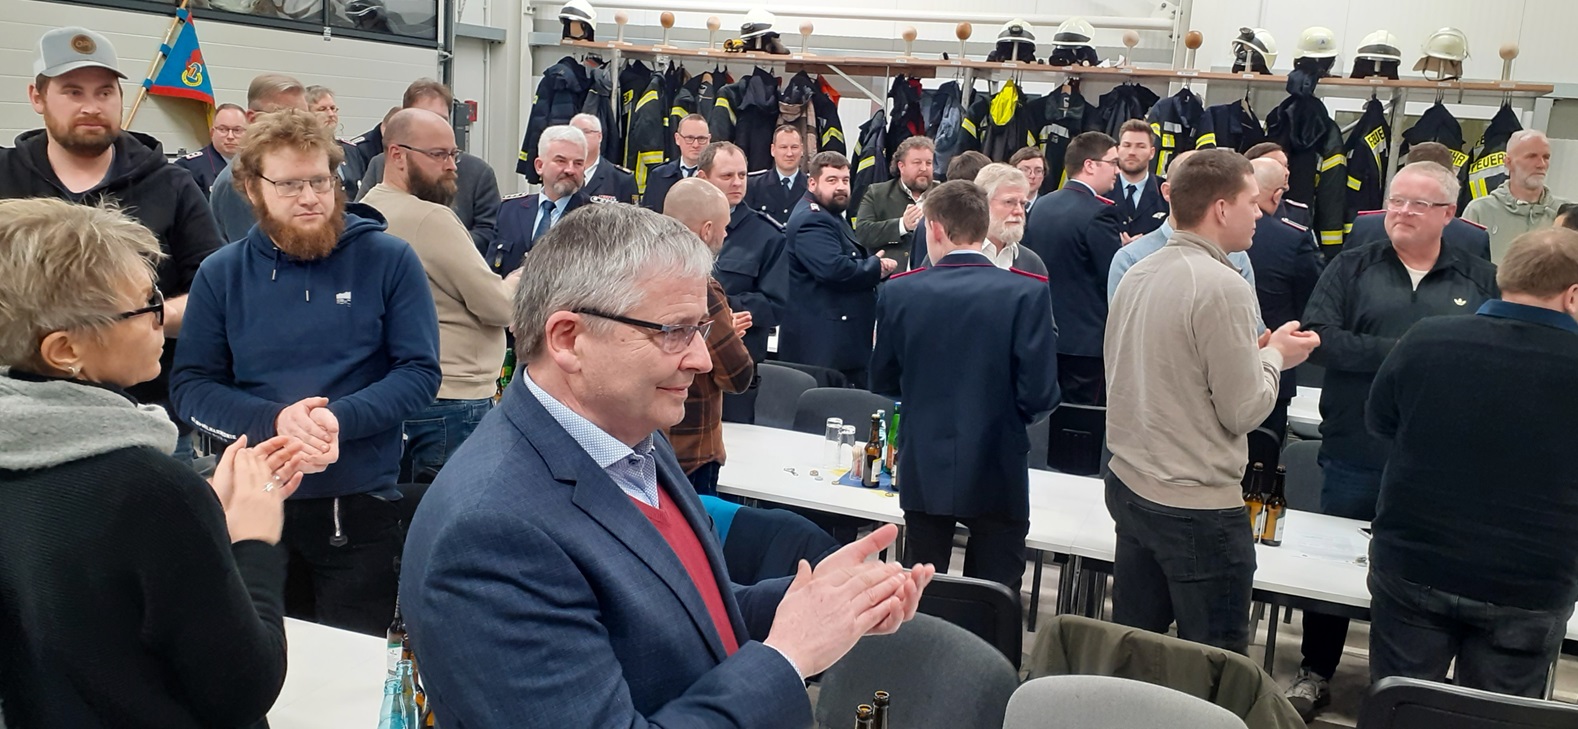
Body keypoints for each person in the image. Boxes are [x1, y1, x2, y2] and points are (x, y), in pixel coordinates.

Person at [399, 203, 935, 728]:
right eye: (673, 331)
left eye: (700, 328)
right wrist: (788, 656)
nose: (701, 359)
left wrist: (814, 604)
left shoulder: (632, 439)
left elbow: (679, 610)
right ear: (568, 340)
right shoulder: (493, 532)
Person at [0, 198, 305, 728]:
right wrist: (252, 540)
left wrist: (203, 509)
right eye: (144, 306)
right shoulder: (146, 489)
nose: (161, 318)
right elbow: (242, 689)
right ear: (65, 350)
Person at [171, 108, 442, 637]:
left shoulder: (388, 260)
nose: (311, 197)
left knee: (354, 667)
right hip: (255, 507)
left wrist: (336, 421)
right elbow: (192, 388)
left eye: (321, 180)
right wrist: (278, 422)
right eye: (290, 185)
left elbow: (418, 373)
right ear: (252, 189)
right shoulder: (221, 274)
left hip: (360, 509)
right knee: (265, 661)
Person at [1287, 161, 1499, 719]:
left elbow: (1490, 353)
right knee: (1331, 566)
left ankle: (1410, 685)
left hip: (1441, 462)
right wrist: (1415, 354)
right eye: (1396, 201)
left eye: (1417, 204)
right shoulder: (1351, 266)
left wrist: (1409, 356)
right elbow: (1320, 338)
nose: (1401, 212)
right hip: (1355, 446)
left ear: (1448, 214)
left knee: (1425, 576)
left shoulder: (1480, 279)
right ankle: (1315, 669)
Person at [1104, 149, 1321, 654]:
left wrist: (1253, 355)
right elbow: (1243, 411)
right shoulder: (1224, 285)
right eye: (1251, 202)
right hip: (1194, 506)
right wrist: (1275, 357)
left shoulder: (1137, 270)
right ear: (1221, 209)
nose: (1260, 213)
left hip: (1132, 485)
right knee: (1215, 664)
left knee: (1137, 651)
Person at [1365, 227, 1578, 698]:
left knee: (1400, 710)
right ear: (1573, 295)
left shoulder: (1426, 339)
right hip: (1531, 583)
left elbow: (1380, 425)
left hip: (1415, 562)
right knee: (1495, 718)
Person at [0, 26, 225, 465]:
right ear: (37, 97)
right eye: (73, 92)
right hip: (15, 423)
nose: (91, 106)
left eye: (105, 92)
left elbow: (216, 292)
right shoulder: (4, 176)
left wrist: (137, 319)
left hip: (145, 420)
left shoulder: (172, 184)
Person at [870, 180, 1058, 596]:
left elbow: (882, 379)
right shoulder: (1027, 291)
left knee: (921, 590)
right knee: (994, 593)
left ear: (935, 228)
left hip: (925, 458)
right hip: (999, 458)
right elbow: (1041, 393)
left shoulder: (900, 291)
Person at [361, 109, 518, 482]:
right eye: (438, 154)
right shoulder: (430, 218)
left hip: (403, 392)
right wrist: (517, 281)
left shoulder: (369, 207)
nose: (451, 166)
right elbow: (498, 307)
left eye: (454, 154)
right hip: (454, 397)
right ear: (397, 155)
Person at [662, 179, 755, 494]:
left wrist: (718, 331)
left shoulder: (638, 276)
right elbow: (738, 376)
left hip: (644, 443)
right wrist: (727, 337)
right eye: (724, 227)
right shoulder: (701, 289)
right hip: (692, 454)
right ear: (707, 230)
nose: (726, 235)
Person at [779, 151, 898, 388]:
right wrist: (875, 267)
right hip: (823, 346)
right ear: (812, 183)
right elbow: (834, 269)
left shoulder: (830, 215)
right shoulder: (812, 219)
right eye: (832, 180)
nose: (841, 187)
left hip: (837, 342)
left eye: (845, 180)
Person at [1024, 131, 1124, 405]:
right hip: (1087, 343)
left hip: (1045, 333)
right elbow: (1112, 277)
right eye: (1112, 163)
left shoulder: (1042, 206)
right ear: (1090, 165)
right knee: (1083, 420)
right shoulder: (1100, 213)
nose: (1117, 170)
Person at [358, 78, 502, 254]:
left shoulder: (478, 172)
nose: (435, 126)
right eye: (425, 117)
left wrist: (444, 244)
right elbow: (362, 217)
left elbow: (490, 231)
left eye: (442, 119)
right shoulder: (381, 164)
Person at [1108, 150, 1257, 303]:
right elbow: (1121, 317)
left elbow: (1252, 317)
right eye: (1190, 187)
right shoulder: (1131, 258)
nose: (1258, 213)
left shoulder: (1236, 255)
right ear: (1167, 191)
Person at [1245, 157, 1323, 440]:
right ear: (1277, 195)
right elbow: (1312, 300)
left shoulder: (1215, 234)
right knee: (1263, 452)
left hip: (1212, 370)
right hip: (1274, 366)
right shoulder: (1292, 239)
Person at [696, 142, 788, 365]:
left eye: (742, 175)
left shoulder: (767, 236)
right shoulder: (680, 225)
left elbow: (776, 305)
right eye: (727, 176)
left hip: (737, 361)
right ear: (703, 178)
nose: (737, 182)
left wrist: (721, 306)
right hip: (681, 356)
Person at [211, 73, 311, 241]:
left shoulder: (296, 169)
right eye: (284, 115)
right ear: (253, 118)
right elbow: (255, 251)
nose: (298, 126)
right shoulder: (238, 180)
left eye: (304, 116)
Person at [1348, 143, 1491, 260]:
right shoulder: (1473, 238)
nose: (1406, 211)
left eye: (1420, 204)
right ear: (1452, 176)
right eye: (1397, 201)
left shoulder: (1365, 227)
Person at [909, 164, 1047, 274]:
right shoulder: (948, 255)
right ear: (983, 203)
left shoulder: (1032, 263)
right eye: (1009, 202)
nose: (1019, 211)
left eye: (1022, 204)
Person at [491, 125, 591, 277]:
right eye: (561, 161)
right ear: (539, 166)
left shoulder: (595, 216)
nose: (570, 170)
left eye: (578, 163)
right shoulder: (510, 211)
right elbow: (492, 271)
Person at [1463, 130, 1568, 263]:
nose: (1541, 164)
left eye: (1546, 157)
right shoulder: (1480, 211)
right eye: (1531, 156)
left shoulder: (1566, 213)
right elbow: (1462, 265)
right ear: (1508, 162)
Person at [856, 136, 935, 270]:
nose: (924, 168)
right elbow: (863, 233)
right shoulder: (877, 193)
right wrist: (902, 225)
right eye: (917, 163)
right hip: (891, 275)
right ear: (901, 166)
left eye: (928, 163)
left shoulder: (944, 194)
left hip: (932, 276)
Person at [305, 84, 369, 199]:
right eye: (322, 109)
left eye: (333, 108)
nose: (331, 114)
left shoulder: (351, 150)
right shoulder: (303, 150)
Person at [173, 102, 247, 197]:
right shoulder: (188, 167)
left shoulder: (256, 164)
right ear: (212, 133)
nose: (230, 136)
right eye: (223, 129)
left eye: (237, 130)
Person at [641, 113, 710, 213]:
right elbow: (648, 216)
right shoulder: (658, 176)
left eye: (701, 139)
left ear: (709, 140)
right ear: (677, 139)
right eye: (689, 138)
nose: (695, 145)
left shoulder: (717, 176)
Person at [743, 124, 808, 225]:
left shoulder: (813, 187)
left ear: (802, 150)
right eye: (783, 147)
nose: (789, 153)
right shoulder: (753, 185)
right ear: (773, 150)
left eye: (794, 147)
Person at [1114, 118, 1167, 239]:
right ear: (1118, 149)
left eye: (1140, 146)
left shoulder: (1166, 192)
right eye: (1127, 145)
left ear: (1152, 152)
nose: (1132, 152)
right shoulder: (1100, 190)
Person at [571, 112, 637, 204]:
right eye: (575, 133)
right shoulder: (560, 173)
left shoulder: (621, 179)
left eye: (586, 132)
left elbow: (632, 212)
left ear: (599, 136)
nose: (580, 137)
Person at [1245, 141, 1311, 227]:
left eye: (1286, 166)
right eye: (1276, 166)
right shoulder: (1236, 211)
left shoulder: (1298, 213)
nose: (1286, 172)